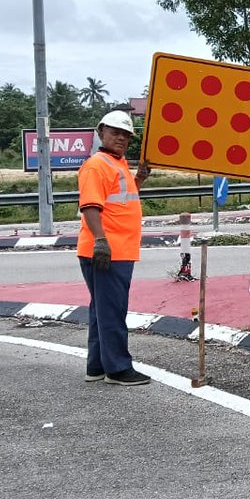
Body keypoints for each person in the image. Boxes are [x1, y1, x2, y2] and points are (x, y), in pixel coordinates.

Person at [77, 110, 152, 385]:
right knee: (112, 311)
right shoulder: (98, 165)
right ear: (101, 132)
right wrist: (100, 241)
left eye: (126, 135)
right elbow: (90, 206)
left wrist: (140, 178)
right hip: (108, 250)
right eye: (115, 132)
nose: (121, 137)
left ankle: (96, 366)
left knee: (102, 309)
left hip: (114, 248)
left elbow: (121, 199)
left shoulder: (116, 163)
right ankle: (118, 369)